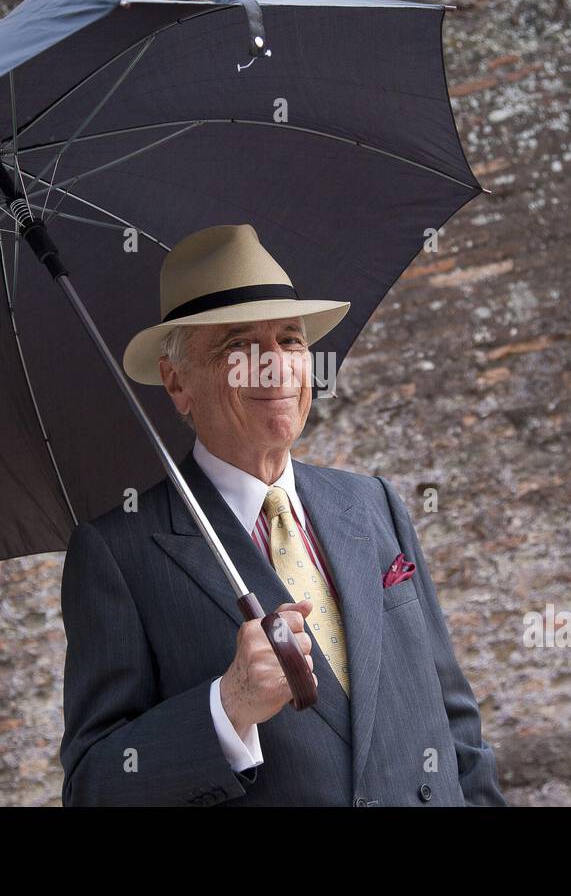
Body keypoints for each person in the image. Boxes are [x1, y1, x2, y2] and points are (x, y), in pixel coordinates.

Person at [58, 223, 507, 806]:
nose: (276, 367)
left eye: (291, 340)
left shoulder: (374, 504)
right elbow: (95, 787)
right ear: (176, 381)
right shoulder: (118, 553)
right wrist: (228, 706)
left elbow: (456, 728)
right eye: (239, 346)